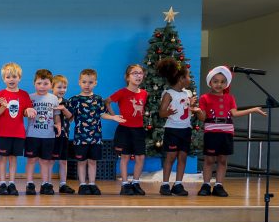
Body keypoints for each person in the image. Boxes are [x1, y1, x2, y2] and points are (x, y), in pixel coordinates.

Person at [198, 65, 266, 197]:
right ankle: (206, 185)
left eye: (222, 82)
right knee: (209, 160)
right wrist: (197, 111)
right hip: (211, 131)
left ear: (226, 83)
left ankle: (219, 185)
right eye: (216, 81)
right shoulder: (204, 98)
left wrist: (253, 109)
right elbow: (203, 117)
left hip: (227, 131)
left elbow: (234, 113)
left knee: (223, 159)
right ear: (210, 82)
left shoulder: (230, 98)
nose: (219, 84)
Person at [66, 68, 124, 195]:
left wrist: (113, 117)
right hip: (80, 137)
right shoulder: (74, 100)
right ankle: (82, 185)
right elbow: (69, 116)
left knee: (92, 161)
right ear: (79, 82)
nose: (87, 85)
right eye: (84, 82)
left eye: (90, 82)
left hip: (95, 137)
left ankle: (92, 183)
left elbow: (102, 114)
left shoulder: (98, 99)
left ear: (95, 83)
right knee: (81, 162)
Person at [155, 58, 202, 196]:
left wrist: (191, 106)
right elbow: (161, 112)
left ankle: (178, 184)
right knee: (170, 157)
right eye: (187, 76)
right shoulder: (168, 94)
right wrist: (167, 112)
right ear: (181, 79)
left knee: (183, 157)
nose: (189, 79)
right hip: (172, 130)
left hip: (185, 129)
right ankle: (165, 184)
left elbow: (187, 108)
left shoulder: (187, 93)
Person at [0, 62, 35, 196]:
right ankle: (2, 183)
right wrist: (3, 106)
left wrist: (29, 110)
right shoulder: (1, 94)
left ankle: (12, 183)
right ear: (4, 79)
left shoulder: (24, 95)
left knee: (13, 158)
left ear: (19, 78)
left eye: (14, 76)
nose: (11, 79)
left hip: (18, 133)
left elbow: (26, 113)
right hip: (3, 132)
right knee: (3, 158)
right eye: (8, 77)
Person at [107, 64, 149, 195]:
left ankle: (135, 182)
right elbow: (106, 101)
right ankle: (125, 184)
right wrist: (114, 116)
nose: (138, 75)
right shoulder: (122, 92)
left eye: (140, 73)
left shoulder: (144, 93)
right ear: (127, 77)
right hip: (124, 129)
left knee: (140, 157)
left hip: (138, 130)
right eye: (134, 73)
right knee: (124, 156)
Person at [23, 68, 60, 196]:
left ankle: (45, 183)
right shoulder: (30, 97)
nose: (42, 86)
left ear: (51, 85)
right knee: (31, 160)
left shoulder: (54, 98)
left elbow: (56, 115)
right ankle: (29, 183)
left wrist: (58, 125)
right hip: (32, 134)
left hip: (48, 135)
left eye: (45, 84)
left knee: (45, 160)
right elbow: (24, 112)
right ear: (34, 83)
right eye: (39, 83)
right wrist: (27, 111)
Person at [51, 75, 75, 194]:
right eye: (59, 87)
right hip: (50, 136)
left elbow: (71, 118)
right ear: (52, 87)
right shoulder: (48, 100)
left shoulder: (67, 102)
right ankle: (48, 183)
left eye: (64, 87)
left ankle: (63, 184)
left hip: (64, 135)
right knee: (49, 160)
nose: (62, 90)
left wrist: (63, 109)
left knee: (63, 160)